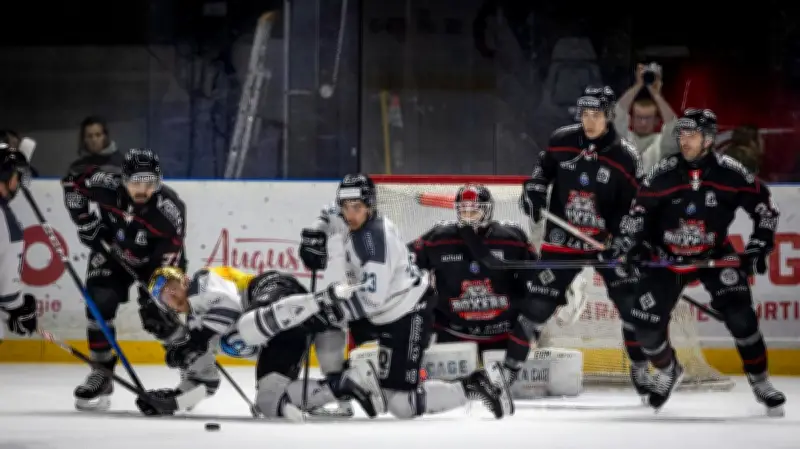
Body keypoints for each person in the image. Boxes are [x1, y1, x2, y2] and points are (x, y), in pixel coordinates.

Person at [298, 174, 513, 419]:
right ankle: (343, 394)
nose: (350, 214)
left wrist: (331, 310)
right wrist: (316, 232)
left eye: (356, 207)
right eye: (346, 207)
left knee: (402, 405)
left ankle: (474, 385)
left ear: (370, 205)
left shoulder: (374, 241)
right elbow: (328, 215)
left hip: (407, 312)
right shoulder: (352, 216)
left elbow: (371, 299)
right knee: (328, 322)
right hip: (380, 309)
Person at [614, 108, 786, 414]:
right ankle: (668, 370)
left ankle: (761, 383)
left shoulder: (731, 172)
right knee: (645, 325)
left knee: (742, 318)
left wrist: (760, 244)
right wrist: (631, 246)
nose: (685, 141)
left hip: (713, 255)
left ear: (708, 139)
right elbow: (637, 214)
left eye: (692, 135)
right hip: (666, 258)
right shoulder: (663, 172)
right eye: (682, 134)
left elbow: (765, 208)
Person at [519, 86, 652, 399]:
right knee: (537, 304)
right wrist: (535, 189)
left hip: (607, 242)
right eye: (585, 114)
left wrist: (625, 240)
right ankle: (512, 368)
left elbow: (638, 207)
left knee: (631, 308)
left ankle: (640, 369)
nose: (589, 121)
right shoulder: (562, 140)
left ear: (609, 116)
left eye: (596, 115)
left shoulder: (625, 156)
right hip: (564, 238)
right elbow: (542, 170)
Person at [134, 266, 384, 419]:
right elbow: (205, 383)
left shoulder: (202, 281)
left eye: (171, 286)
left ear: (183, 280)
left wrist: (194, 342)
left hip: (272, 289)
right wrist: (174, 400)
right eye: (162, 296)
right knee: (268, 404)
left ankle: (323, 304)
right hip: (281, 336)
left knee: (246, 327)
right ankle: (347, 384)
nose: (171, 295)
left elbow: (229, 308)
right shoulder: (195, 328)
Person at [61, 148, 187, 411]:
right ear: (123, 179)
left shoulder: (169, 211)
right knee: (99, 301)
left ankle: (193, 366)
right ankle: (101, 371)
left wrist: (154, 294)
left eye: (150, 183)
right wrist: (85, 222)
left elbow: (168, 259)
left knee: (159, 317)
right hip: (112, 251)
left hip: (156, 262)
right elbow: (71, 183)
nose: (143, 190)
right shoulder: (103, 183)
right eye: (136, 182)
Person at [408, 184, 540, 388]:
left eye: (474, 211)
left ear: (488, 210)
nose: (468, 217)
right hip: (453, 334)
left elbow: (535, 280)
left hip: (503, 334)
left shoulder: (512, 239)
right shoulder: (438, 239)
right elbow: (404, 262)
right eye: (464, 211)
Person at [0, 145, 37, 340]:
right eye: (17, 176)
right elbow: (7, 293)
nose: (19, 183)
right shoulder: (5, 223)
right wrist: (19, 310)